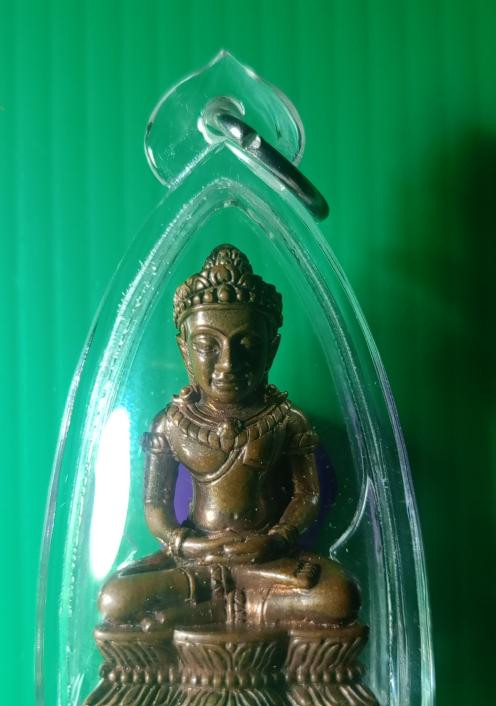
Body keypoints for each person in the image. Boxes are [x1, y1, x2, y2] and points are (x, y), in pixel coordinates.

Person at [99, 244, 360, 630]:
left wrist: (276, 540)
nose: (227, 364)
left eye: (247, 345)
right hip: (197, 558)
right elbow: (155, 506)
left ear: (271, 349)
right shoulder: (171, 423)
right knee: (114, 598)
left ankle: (212, 610)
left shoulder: (285, 420)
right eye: (208, 346)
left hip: (267, 557)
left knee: (340, 596)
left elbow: (307, 495)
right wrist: (192, 545)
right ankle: (241, 606)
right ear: (185, 349)